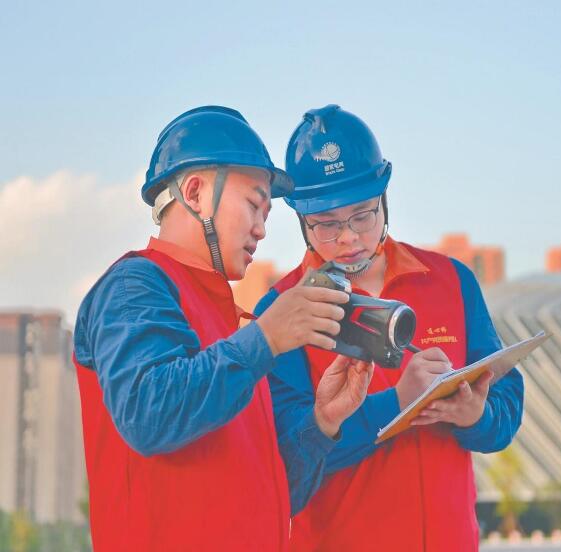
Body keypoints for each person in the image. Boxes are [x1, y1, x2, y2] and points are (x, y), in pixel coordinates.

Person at [73, 106, 372, 552]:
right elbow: (147, 415)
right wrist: (266, 338)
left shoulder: (233, 327)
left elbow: (271, 499)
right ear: (195, 193)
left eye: (267, 213)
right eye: (254, 204)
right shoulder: (135, 285)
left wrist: (322, 422)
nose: (262, 229)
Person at [254, 105, 525, 551]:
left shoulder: (452, 280)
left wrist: (475, 416)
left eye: (362, 215)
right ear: (301, 220)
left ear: (384, 199)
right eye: (327, 224)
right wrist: (399, 402)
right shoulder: (281, 310)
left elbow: (507, 406)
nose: (348, 237)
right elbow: (287, 461)